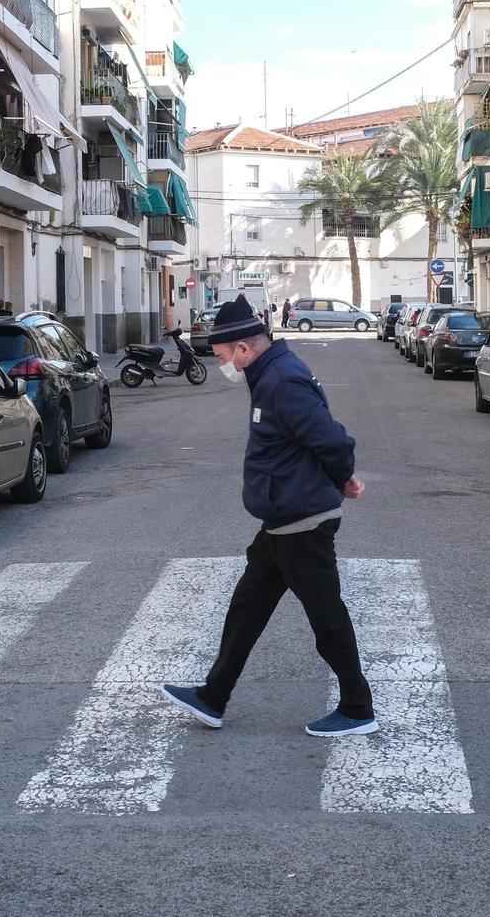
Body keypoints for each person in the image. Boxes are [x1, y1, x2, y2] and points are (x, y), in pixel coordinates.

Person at [161, 295, 377, 738]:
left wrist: (345, 479)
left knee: (327, 620)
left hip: (302, 523)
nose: (225, 365)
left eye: (224, 356)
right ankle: (213, 696)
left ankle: (358, 708)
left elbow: (333, 440)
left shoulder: (282, 381)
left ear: (244, 348)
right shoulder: (267, 374)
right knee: (246, 609)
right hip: (280, 522)